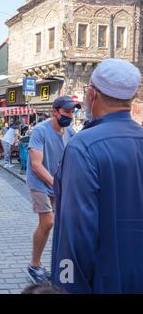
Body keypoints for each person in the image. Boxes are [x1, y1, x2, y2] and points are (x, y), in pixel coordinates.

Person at [51, 58, 143, 293]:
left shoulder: (83, 146)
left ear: (92, 94)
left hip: (103, 281)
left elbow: (74, 232)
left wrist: (66, 284)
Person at [26, 96, 80, 283]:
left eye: (72, 112)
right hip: (40, 182)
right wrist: (57, 185)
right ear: (54, 111)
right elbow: (36, 165)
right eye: (66, 112)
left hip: (58, 184)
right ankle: (34, 265)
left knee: (61, 224)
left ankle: (55, 266)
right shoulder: (40, 131)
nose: (70, 115)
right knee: (48, 222)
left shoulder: (71, 133)